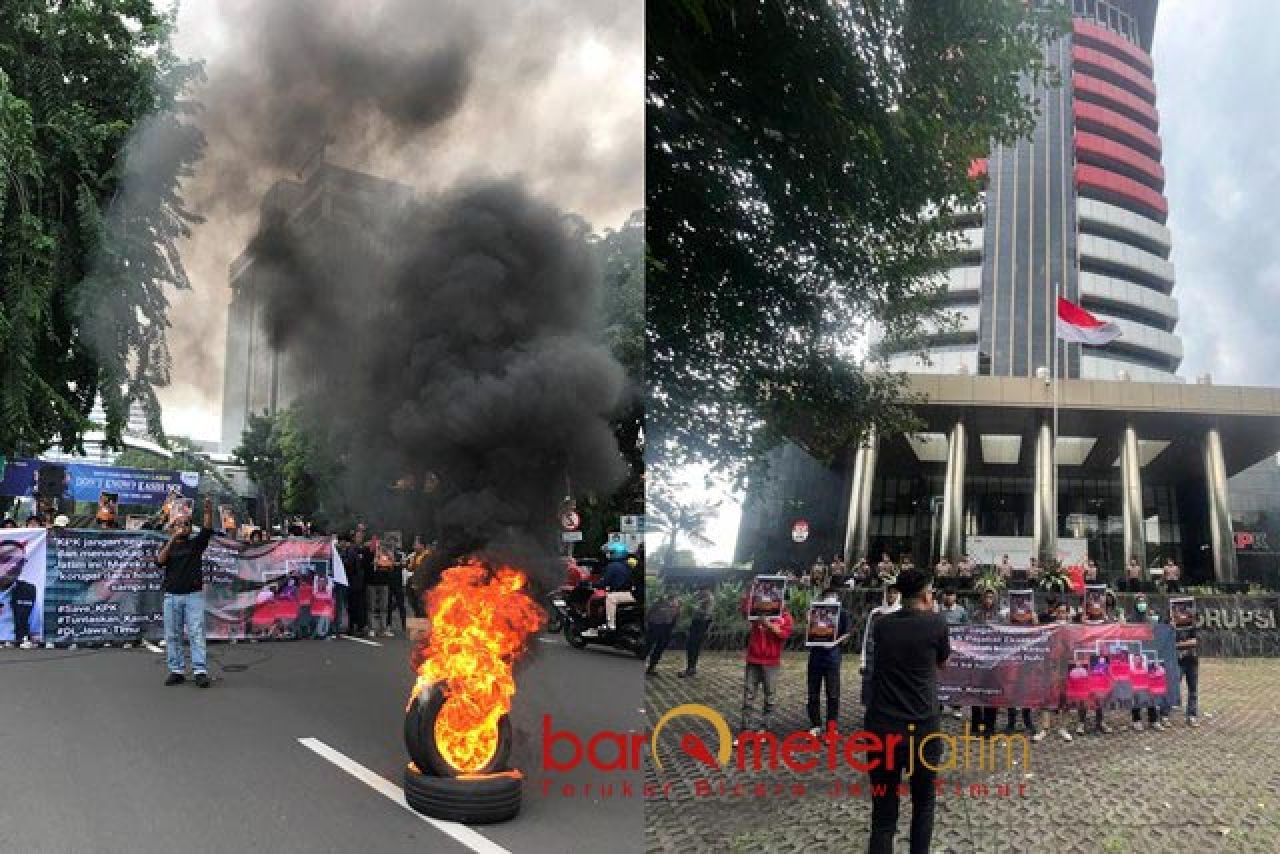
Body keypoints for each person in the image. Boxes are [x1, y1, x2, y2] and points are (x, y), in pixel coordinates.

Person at [862, 569, 949, 854]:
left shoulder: (882, 625)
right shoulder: (936, 624)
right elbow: (941, 663)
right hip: (922, 728)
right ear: (926, 595)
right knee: (923, 804)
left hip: (882, 728)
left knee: (883, 814)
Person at [155, 498, 215, 688]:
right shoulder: (169, 546)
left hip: (193, 595)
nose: (183, 527)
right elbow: (159, 561)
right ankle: (177, 670)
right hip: (172, 596)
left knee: (196, 633)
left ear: (191, 528)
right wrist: (172, 538)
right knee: (172, 634)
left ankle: (200, 670)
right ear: (173, 527)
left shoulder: (196, 545)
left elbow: (206, 530)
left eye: (187, 524)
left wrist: (207, 512)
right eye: (179, 524)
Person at [736, 590, 792, 741]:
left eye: (783, 600)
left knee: (770, 697)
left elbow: (783, 634)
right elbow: (745, 611)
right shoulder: (758, 611)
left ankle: (765, 729)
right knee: (748, 696)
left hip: (771, 662)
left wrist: (767, 623)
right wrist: (750, 592)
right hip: (754, 659)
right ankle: (745, 730)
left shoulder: (785, 617)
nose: (781, 602)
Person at [806, 586, 852, 736]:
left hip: (832, 657)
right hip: (815, 657)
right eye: (827, 595)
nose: (830, 598)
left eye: (833, 595)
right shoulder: (815, 613)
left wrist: (836, 642)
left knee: (833, 693)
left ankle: (832, 726)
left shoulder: (843, 614)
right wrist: (809, 621)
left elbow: (847, 634)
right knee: (813, 692)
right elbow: (809, 633)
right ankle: (816, 724)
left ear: (837, 598)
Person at [859, 584, 902, 705]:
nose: (891, 595)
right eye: (889, 592)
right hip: (873, 657)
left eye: (894, 592)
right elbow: (867, 636)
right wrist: (863, 660)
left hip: (893, 659)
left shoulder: (902, 613)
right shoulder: (875, 613)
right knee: (871, 689)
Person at [0, 540, 38, 648]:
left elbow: (35, 634)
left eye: (20, 562)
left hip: (16, 653)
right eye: (6, 559)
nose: (14, 566)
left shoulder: (28, 592)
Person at [594, 543, 634, 632]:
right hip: (632, 593)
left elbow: (604, 581)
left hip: (625, 594)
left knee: (610, 598)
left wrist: (595, 585)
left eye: (611, 553)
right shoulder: (628, 565)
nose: (609, 555)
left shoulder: (613, 566)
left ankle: (610, 625)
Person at [679, 586, 714, 678]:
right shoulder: (704, 599)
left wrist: (692, 607)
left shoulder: (707, 600)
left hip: (700, 625)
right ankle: (691, 668)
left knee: (692, 646)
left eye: (700, 590)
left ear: (705, 590)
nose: (698, 593)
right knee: (694, 647)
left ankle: (690, 669)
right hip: (699, 625)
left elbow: (706, 614)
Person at [645, 591, 680, 675]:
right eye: (675, 600)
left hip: (666, 630)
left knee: (659, 649)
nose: (676, 602)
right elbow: (649, 612)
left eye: (676, 601)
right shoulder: (659, 603)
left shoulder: (676, 608)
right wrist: (648, 623)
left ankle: (651, 668)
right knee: (648, 645)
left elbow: (675, 620)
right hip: (655, 627)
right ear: (670, 599)